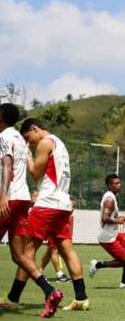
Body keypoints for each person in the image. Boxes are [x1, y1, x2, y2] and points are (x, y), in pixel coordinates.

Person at [12, 118, 89, 316]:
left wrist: (28, 156)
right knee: (66, 249)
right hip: (63, 203)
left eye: (29, 137)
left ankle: (13, 298)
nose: (30, 142)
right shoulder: (60, 143)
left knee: (26, 251)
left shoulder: (45, 143)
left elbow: (36, 174)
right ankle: (81, 298)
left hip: (48, 203)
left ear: (35, 129)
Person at [0, 104, 38, 308]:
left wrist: (3, 195)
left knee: (19, 254)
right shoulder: (22, 141)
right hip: (23, 200)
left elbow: (7, 165)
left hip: (11, 198)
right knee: (19, 255)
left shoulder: (5, 137)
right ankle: (50, 290)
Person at [88, 174, 125, 288]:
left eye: (119, 183)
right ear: (109, 185)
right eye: (116, 183)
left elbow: (110, 217)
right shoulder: (109, 199)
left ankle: (124, 282)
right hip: (107, 237)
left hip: (114, 234)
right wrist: (118, 221)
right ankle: (98, 265)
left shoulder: (112, 197)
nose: (119, 185)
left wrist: (119, 218)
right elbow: (105, 219)